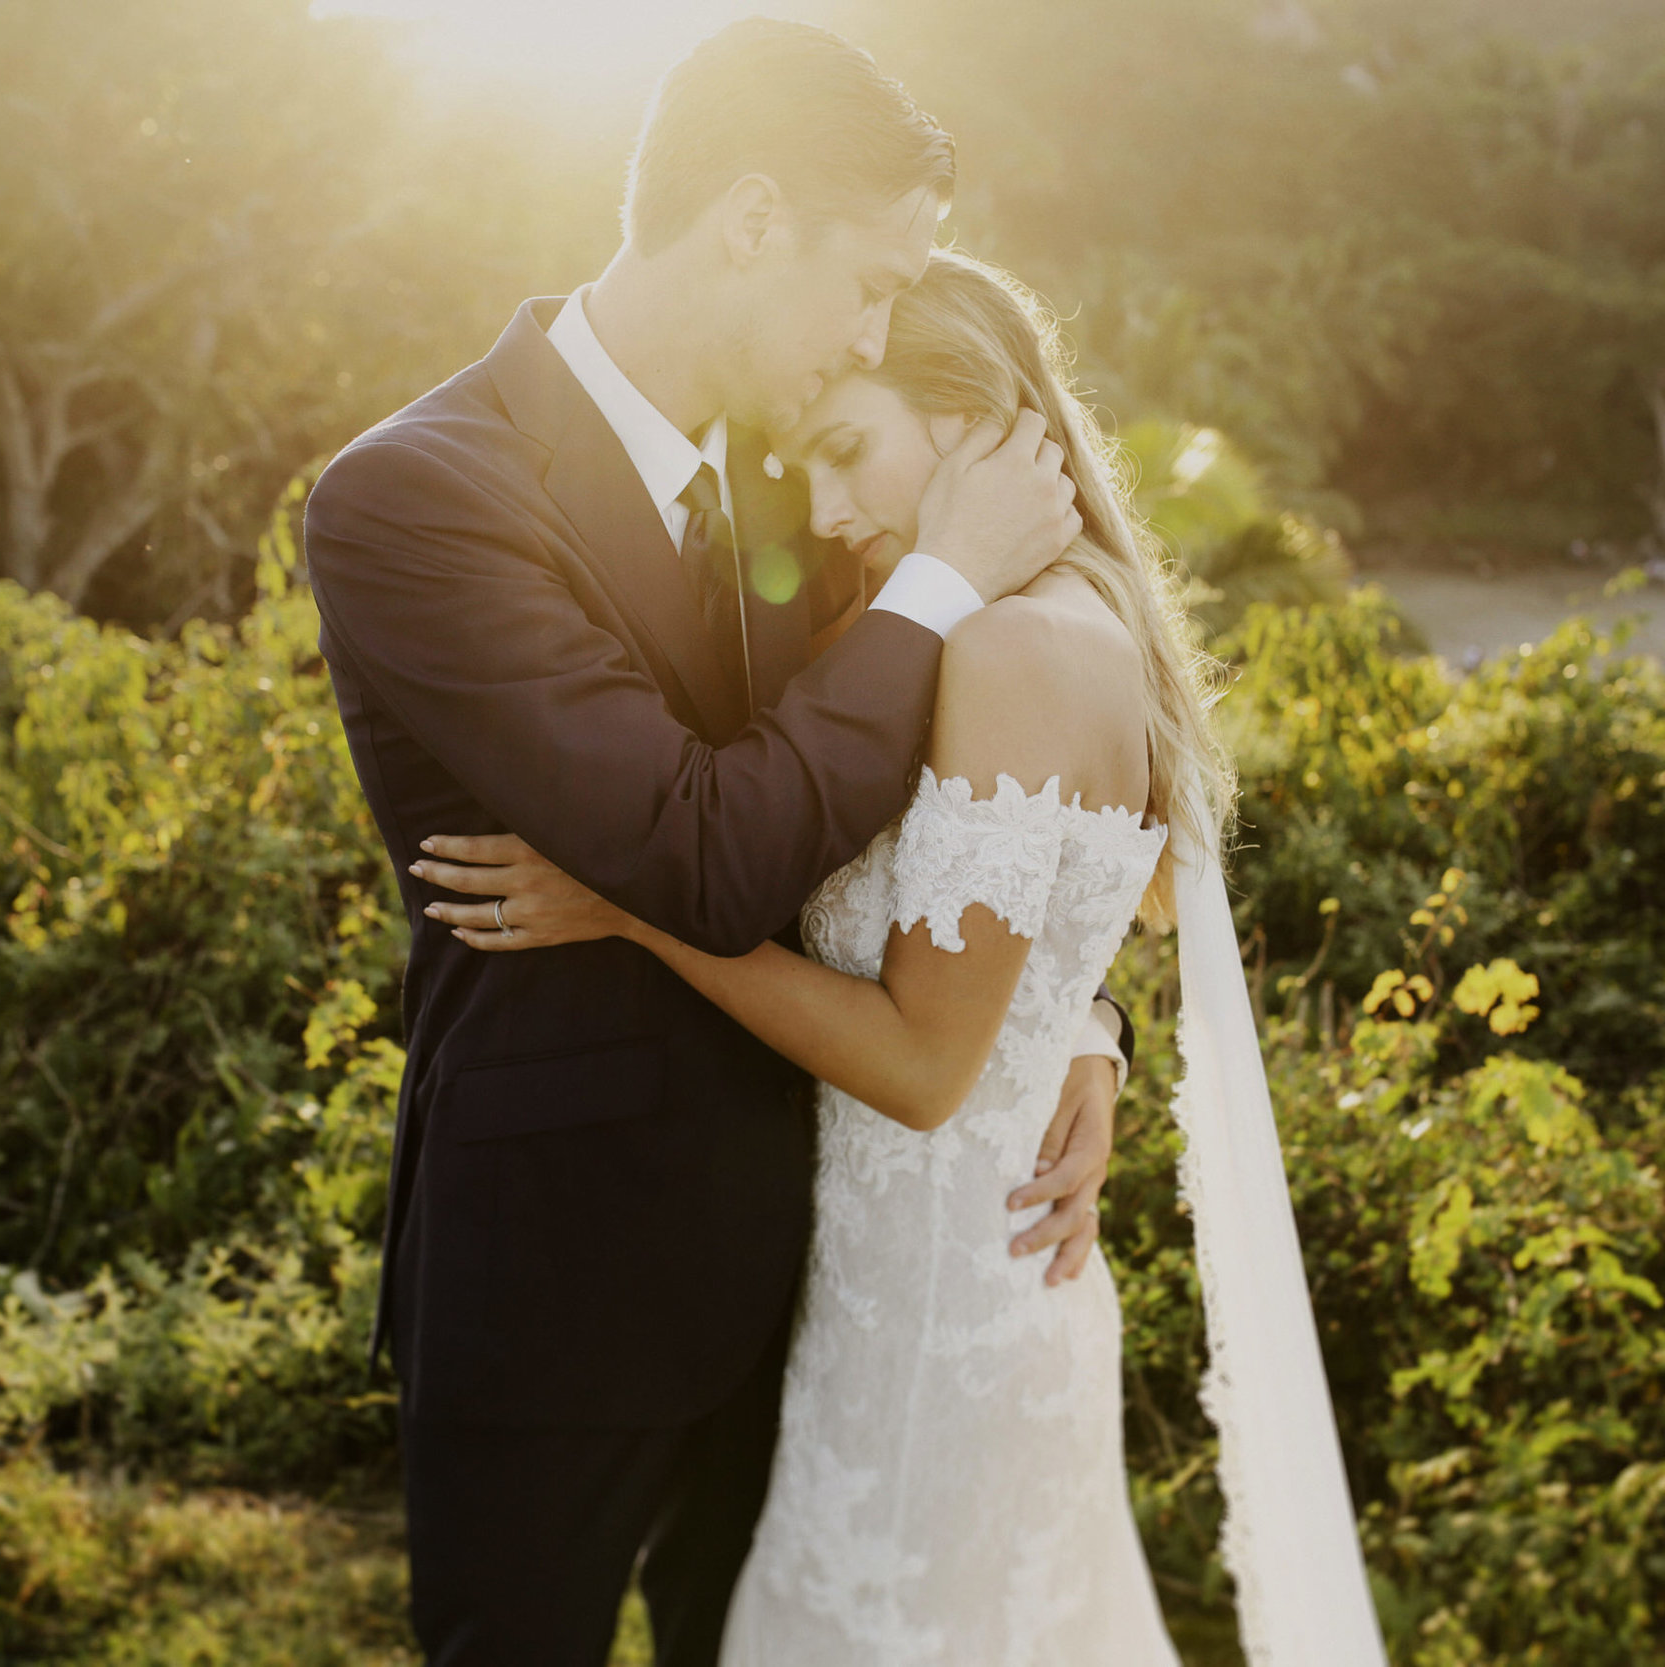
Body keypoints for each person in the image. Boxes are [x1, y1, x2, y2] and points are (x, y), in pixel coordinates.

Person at [301, 22, 1137, 1666]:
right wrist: (939, 582)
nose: (877, 332)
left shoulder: (799, 469)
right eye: (873, 282)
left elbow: (981, 799)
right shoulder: (420, 495)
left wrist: (1080, 1023)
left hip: (815, 1281)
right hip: (554, 1269)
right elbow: (706, 854)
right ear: (754, 222)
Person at [426, 252, 1389, 1661]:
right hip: (901, 1302)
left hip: (940, 1330)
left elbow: (927, 1063)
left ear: (981, 420)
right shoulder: (1035, 626)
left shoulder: (1006, 649)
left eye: (847, 449)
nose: (822, 506)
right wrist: (1085, 1034)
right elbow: (1035, 951)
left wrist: (637, 907)